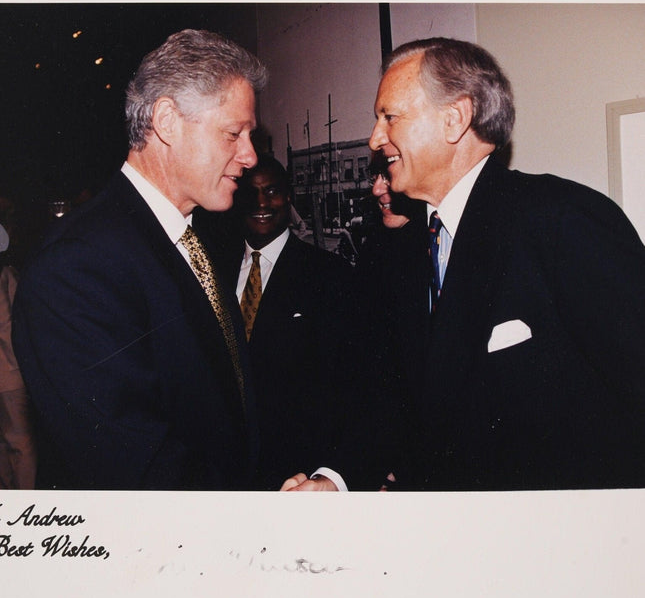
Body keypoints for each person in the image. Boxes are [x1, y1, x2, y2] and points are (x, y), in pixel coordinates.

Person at [286, 36, 645, 491]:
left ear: (454, 119)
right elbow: (399, 399)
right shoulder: (405, 250)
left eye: (389, 117)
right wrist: (335, 480)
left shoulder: (562, 220)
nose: (376, 139)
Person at [12, 29, 267, 490]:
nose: (249, 155)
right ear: (167, 121)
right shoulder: (75, 268)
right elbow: (138, 466)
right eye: (233, 133)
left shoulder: (188, 238)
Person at [204, 154, 360, 490]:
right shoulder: (213, 270)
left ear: (288, 197)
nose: (261, 202)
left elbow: (347, 387)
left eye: (272, 191)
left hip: (294, 476)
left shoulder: (329, 276)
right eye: (251, 191)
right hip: (220, 472)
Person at [0, 222, 36, 489]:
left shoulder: (7, 276)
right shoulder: (7, 275)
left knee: (14, 442)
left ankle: (18, 502)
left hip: (10, 372)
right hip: (10, 374)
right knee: (15, 442)